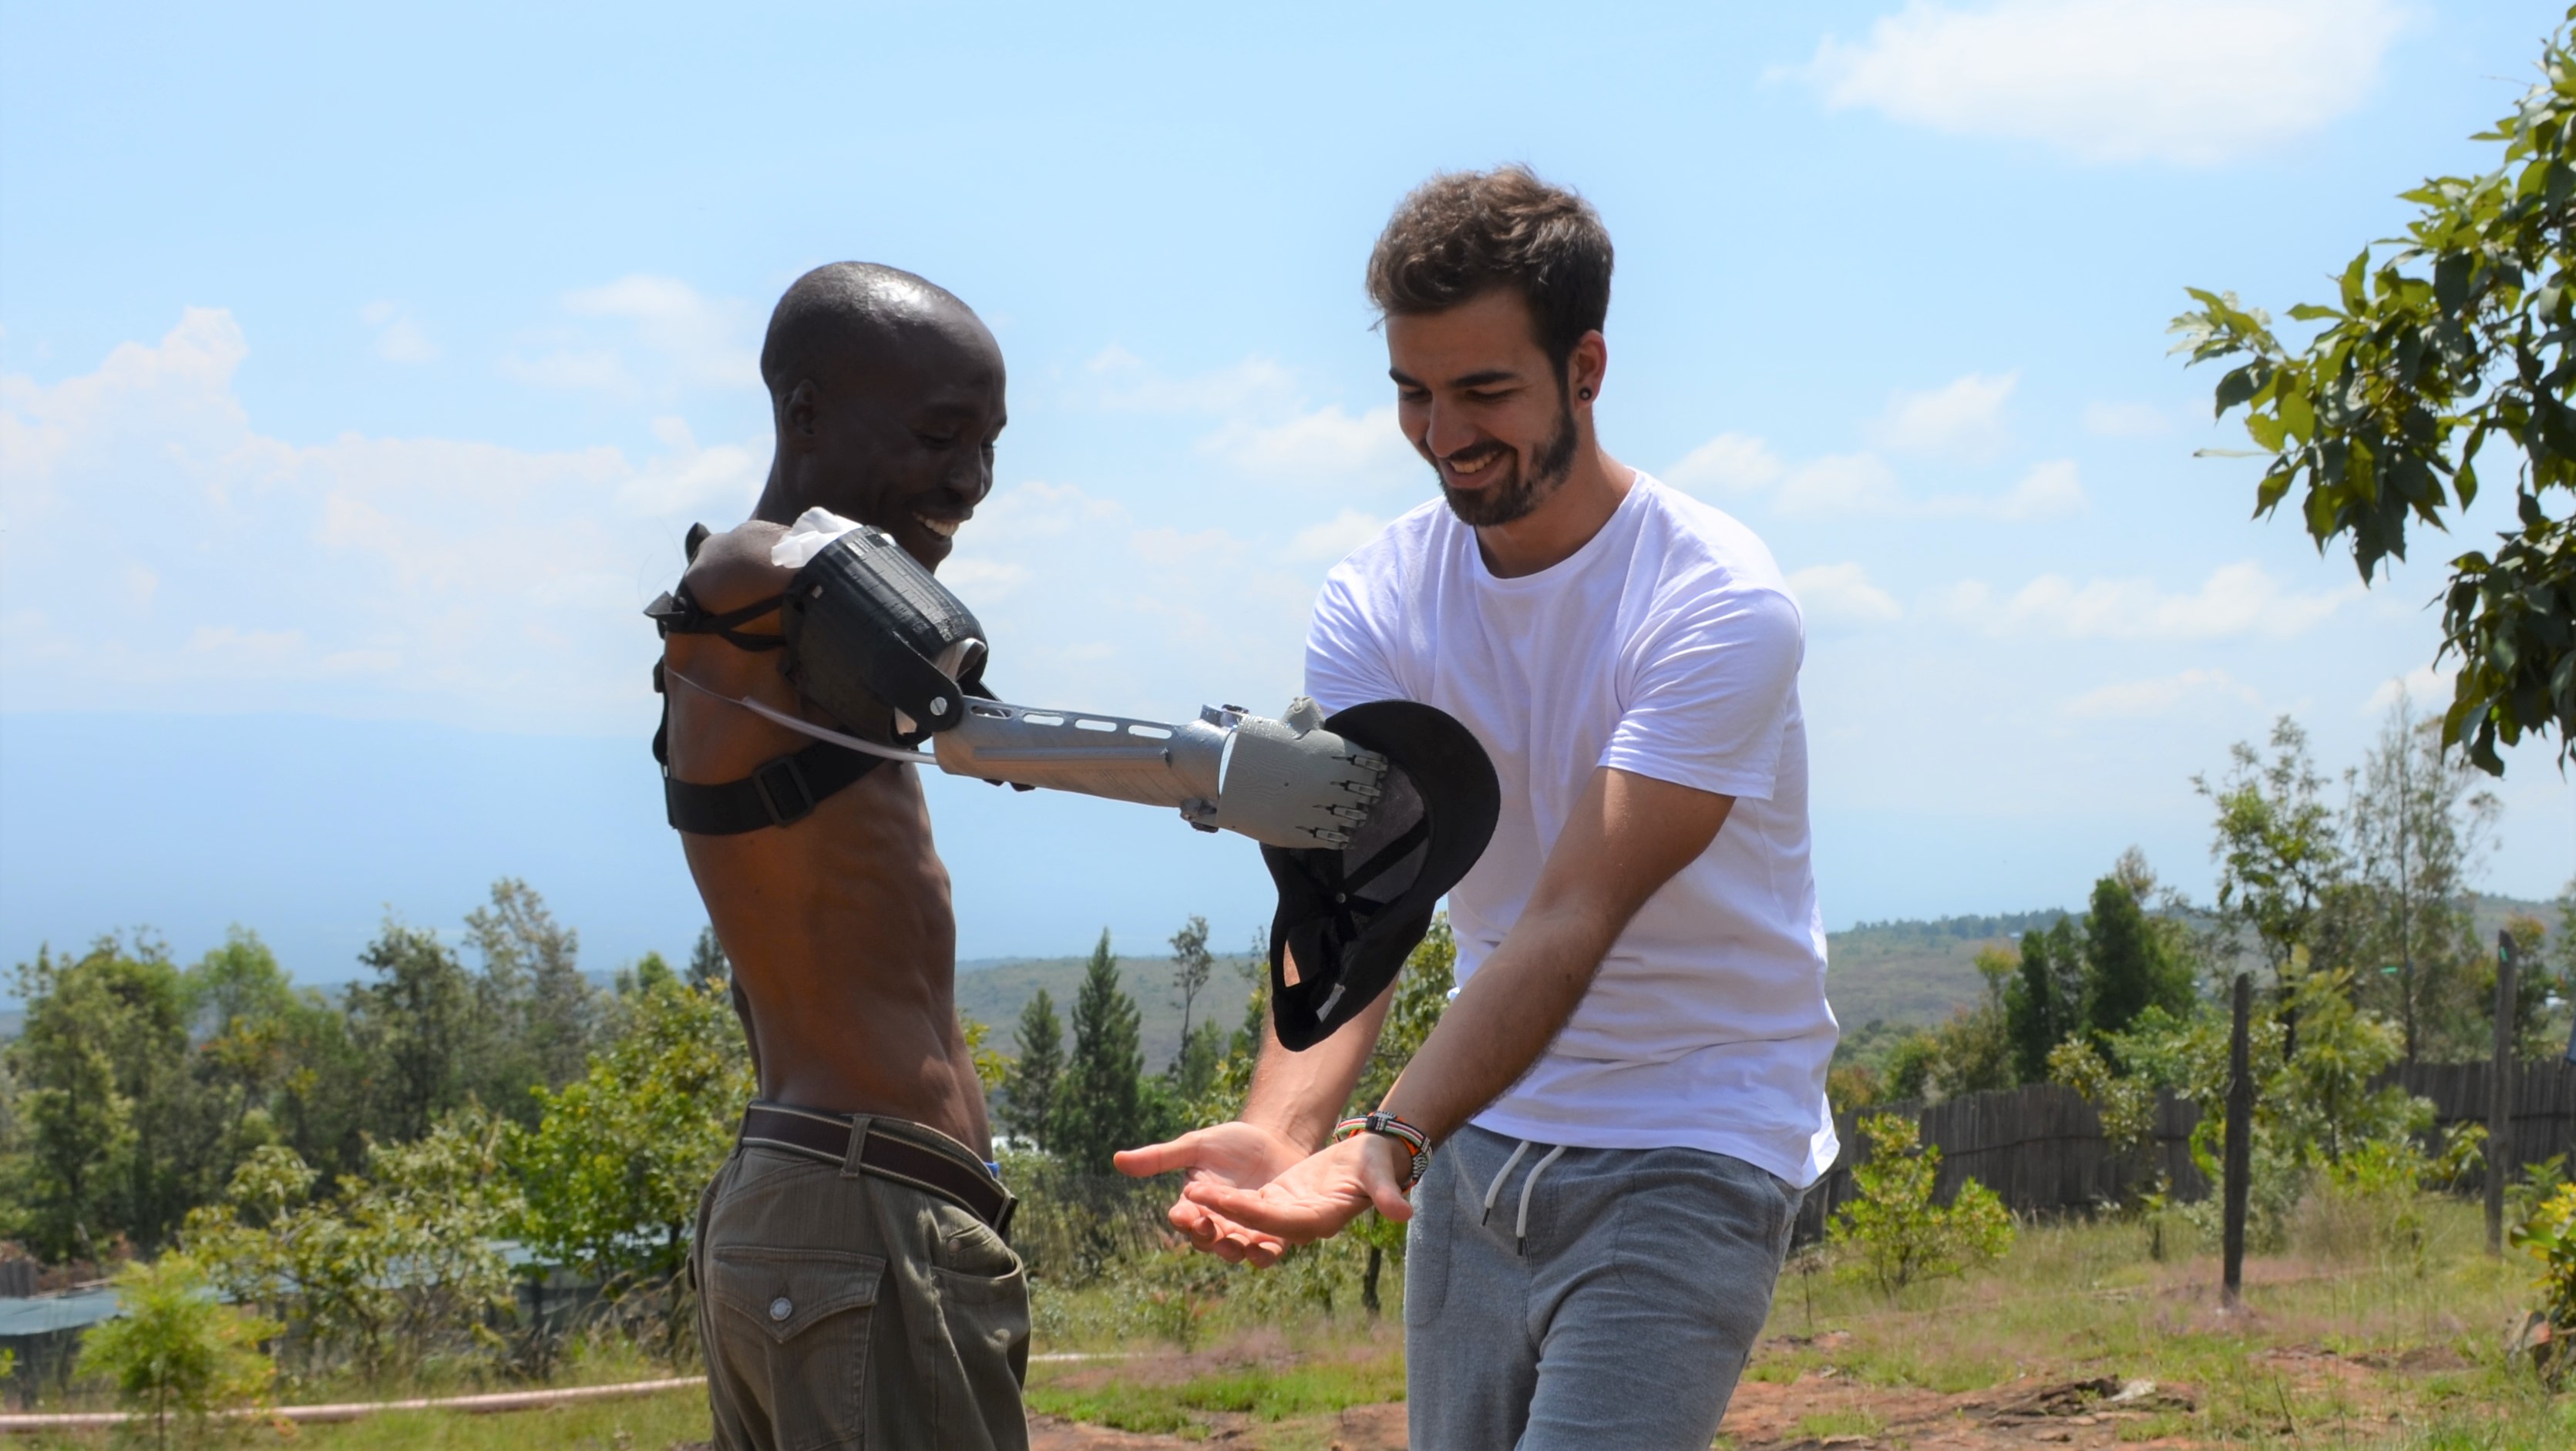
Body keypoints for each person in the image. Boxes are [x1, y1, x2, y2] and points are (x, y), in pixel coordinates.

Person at [1117, 167, 1839, 1449]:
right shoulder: (1377, 601)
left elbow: (1570, 913)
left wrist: (1386, 1134)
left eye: (1485, 391)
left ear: (1585, 368)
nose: (1444, 431)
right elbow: (1365, 902)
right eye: (1414, 391)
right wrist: (1286, 1131)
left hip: (1694, 1131)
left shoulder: (1716, 604)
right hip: (1480, 1137)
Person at [661, 263, 1027, 1451]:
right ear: (805, 413)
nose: (969, 480)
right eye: (938, 435)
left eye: (987, 444)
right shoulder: (742, 596)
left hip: (854, 1221)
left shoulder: (816, 663)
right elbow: (746, 568)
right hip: (853, 1223)